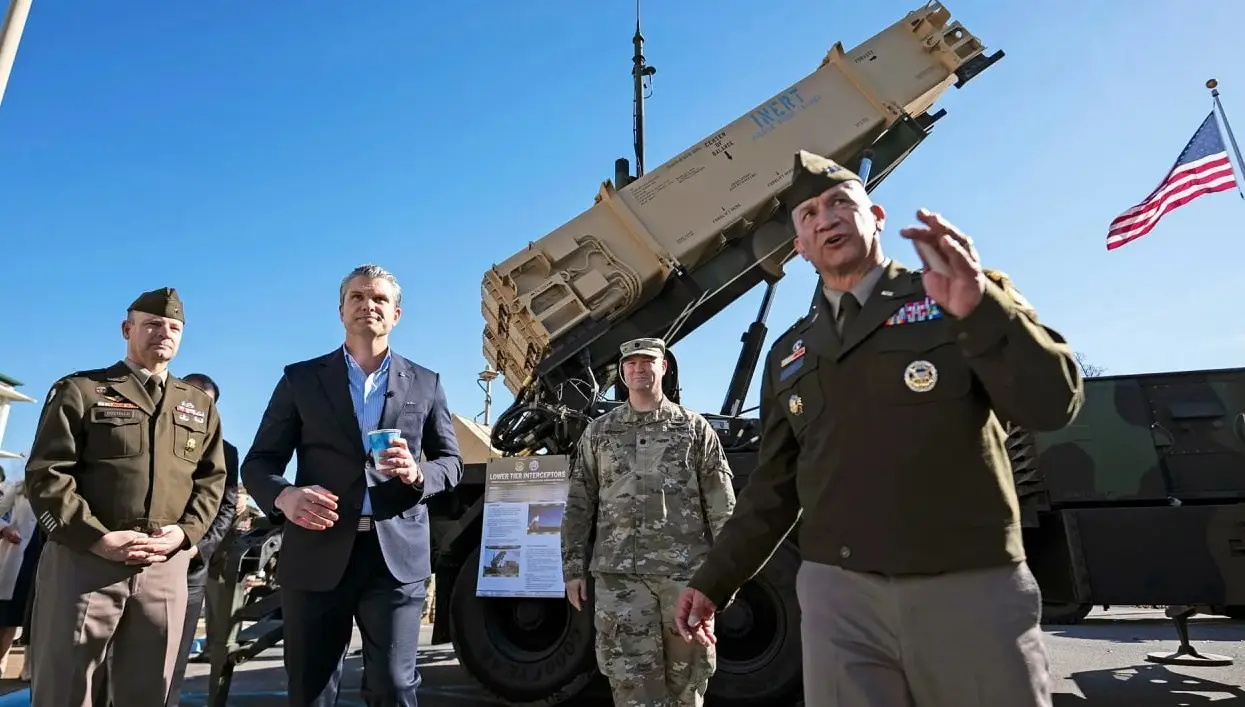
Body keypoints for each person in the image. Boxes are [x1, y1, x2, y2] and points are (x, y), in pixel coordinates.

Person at [673, 151, 1086, 707]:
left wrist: (983, 310)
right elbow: (772, 489)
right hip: (840, 600)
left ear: (877, 216)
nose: (826, 218)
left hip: (967, 582)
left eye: (841, 202)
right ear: (799, 245)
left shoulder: (956, 294)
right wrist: (713, 581)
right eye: (809, 214)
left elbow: (1053, 404)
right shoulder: (790, 353)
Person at [242, 263, 463, 707]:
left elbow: (451, 463)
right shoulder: (300, 379)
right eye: (357, 297)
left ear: (396, 314)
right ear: (341, 311)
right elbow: (259, 461)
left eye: (379, 299)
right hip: (317, 552)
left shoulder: (426, 382)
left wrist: (420, 475)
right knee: (311, 687)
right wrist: (285, 495)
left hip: (394, 558)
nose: (368, 305)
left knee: (395, 687)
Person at [24, 287, 229, 707]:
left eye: (173, 327)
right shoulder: (81, 390)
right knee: (66, 690)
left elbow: (213, 481)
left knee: (151, 691)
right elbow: (47, 474)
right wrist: (95, 538)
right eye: (152, 324)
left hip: (163, 566)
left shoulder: (197, 406)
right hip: (86, 562)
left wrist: (184, 535)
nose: (163, 333)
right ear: (127, 329)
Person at [560, 337, 737, 707]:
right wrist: (572, 567)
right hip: (620, 582)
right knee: (631, 688)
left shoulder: (693, 429)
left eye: (647, 362)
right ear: (622, 372)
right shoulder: (600, 433)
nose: (638, 369)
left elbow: (723, 508)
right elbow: (579, 503)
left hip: (684, 581)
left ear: (664, 367)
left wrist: (724, 580)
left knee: (687, 684)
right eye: (630, 364)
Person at [165, 372, 239, 707]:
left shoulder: (227, 452)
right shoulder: (156, 434)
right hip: (142, 556)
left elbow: (225, 508)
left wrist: (197, 547)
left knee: (174, 658)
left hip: (190, 564)